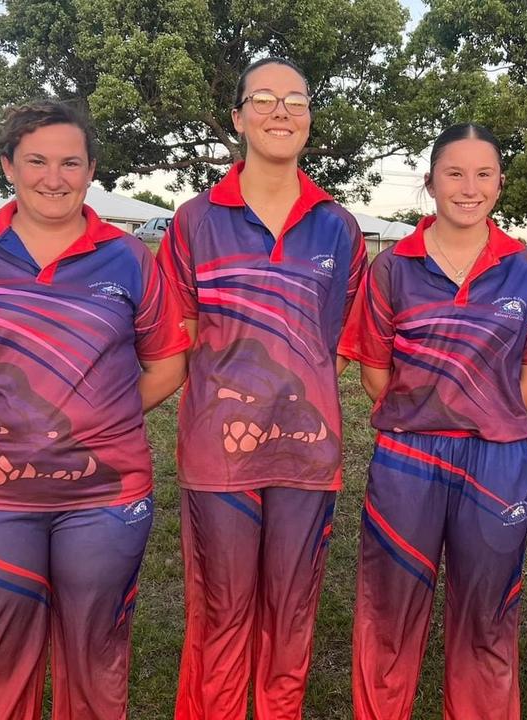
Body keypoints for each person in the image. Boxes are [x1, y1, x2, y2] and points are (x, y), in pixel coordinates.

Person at [0, 100, 189, 720]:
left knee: (96, 652)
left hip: (106, 493)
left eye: (70, 162)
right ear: (8, 166)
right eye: (36, 160)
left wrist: (103, 415)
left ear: (91, 169)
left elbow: (168, 362)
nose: (53, 177)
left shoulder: (127, 257)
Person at [156, 57, 366, 719]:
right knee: (220, 612)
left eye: (296, 101)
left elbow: (335, 341)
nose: (281, 112)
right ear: (239, 117)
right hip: (219, 460)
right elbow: (176, 336)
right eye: (265, 99)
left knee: (292, 611)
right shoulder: (193, 221)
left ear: (310, 118)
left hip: (307, 458)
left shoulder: (339, 227)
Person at [339, 123, 527, 720]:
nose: (469, 188)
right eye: (454, 174)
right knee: (390, 609)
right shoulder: (394, 268)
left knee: (488, 613)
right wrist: (421, 415)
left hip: (496, 459)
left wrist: (490, 414)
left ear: (500, 183)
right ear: (431, 182)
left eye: (483, 174)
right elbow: (375, 370)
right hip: (409, 456)